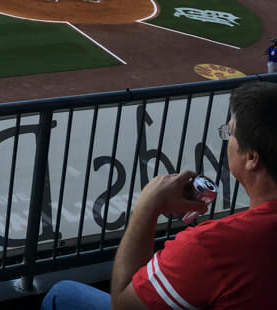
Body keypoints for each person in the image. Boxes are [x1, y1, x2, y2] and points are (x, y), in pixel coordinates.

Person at [42, 81, 277, 310]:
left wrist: (146, 208)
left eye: (230, 133)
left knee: (62, 295)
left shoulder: (211, 246)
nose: (226, 140)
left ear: (251, 158)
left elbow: (123, 305)